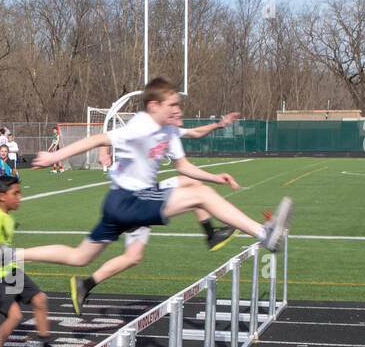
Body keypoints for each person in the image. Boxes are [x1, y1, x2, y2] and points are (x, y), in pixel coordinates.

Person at [25, 78, 292, 315]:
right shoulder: (140, 126)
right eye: (172, 105)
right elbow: (96, 139)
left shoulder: (169, 130)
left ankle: (14, 255)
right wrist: (54, 156)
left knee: (80, 257)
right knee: (201, 195)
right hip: (129, 200)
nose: (178, 110)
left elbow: (184, 166)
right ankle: (261, 233)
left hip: (125, 202)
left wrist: (215, 175)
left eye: (178, 105)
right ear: (154, 105)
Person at [0, 175, 74, 347]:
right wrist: (20, 255)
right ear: (2, 196)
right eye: (16, 193)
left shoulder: (7, 216)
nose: (20, 197)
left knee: (39, 298)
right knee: (15, 316)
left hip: (8, 271)